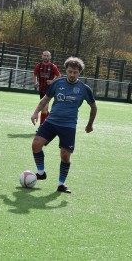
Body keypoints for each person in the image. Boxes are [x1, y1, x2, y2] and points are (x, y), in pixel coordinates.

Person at [30, 57, 97, 194]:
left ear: (79, 73)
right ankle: (41, 172)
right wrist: (35, 112)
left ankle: (61, 184)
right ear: (66, 70)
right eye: (70, 71)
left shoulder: (84, 89)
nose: (72, 74)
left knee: (65, 155)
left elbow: (94, 107)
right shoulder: (57, 83)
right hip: (51, 121)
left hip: (68, 126)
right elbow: (45, 100)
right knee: (36, 145)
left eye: (75, 72)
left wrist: (90, 124)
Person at [32, 51, 61, 125]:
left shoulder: (53, 66)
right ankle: (50, 120)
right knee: (44, 108)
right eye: (44, 55)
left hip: (50, 90)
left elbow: (59, 75)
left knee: (44, 108)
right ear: (42, 56)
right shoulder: (38, 66)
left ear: (50, 57)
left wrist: (52, 81)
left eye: (47, 56)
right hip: (41, 89)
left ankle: (42, 127)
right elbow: (34, 75)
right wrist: (35, 82)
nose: (46, 57)